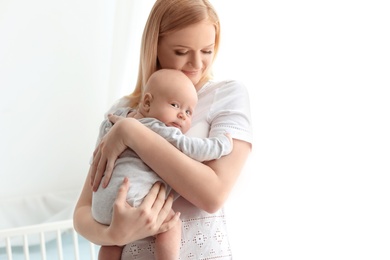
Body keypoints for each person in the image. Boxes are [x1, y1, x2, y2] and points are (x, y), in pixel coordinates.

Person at [73, 0, 253, 259]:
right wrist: (114, 235)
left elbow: (213, 195)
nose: (197, 64)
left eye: (207, 51)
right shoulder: (123, 109)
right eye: (181, 51)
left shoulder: (227, 95)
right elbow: (83, 212)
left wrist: (132, 133)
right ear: (154, 47)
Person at [92, 68, 232, 260]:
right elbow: (194, 148)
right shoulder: (161, 129)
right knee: (171, 226)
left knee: (112, 244)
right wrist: (222, 144)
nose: (182, 115)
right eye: (175, 105)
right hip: (133, 200)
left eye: (189, 111)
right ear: (147, 103)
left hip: (100, 208)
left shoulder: (117, 119)